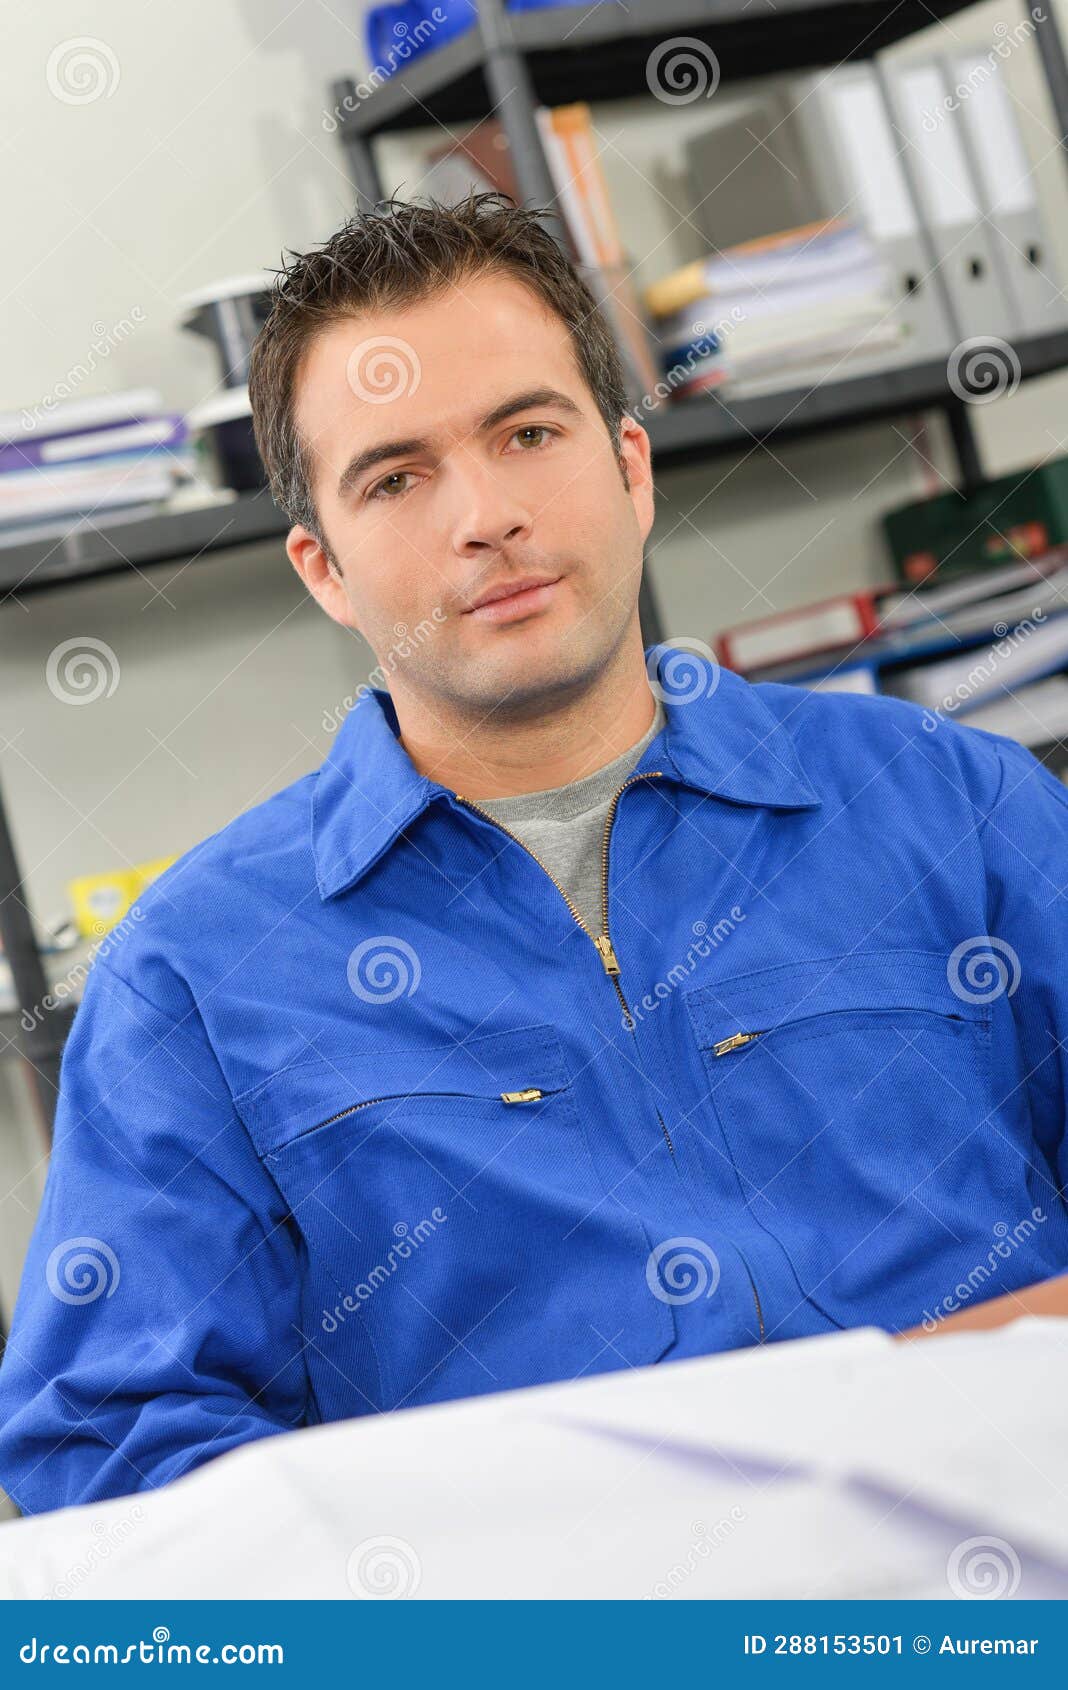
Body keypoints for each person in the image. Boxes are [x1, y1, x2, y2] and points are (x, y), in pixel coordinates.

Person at [1, 192, 1066, 1516]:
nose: (485, 514)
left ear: (632, 463)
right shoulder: (193, 976)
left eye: (527, 432)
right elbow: (111, 1459)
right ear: (322, 567)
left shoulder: (950, 802)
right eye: (397, 476)